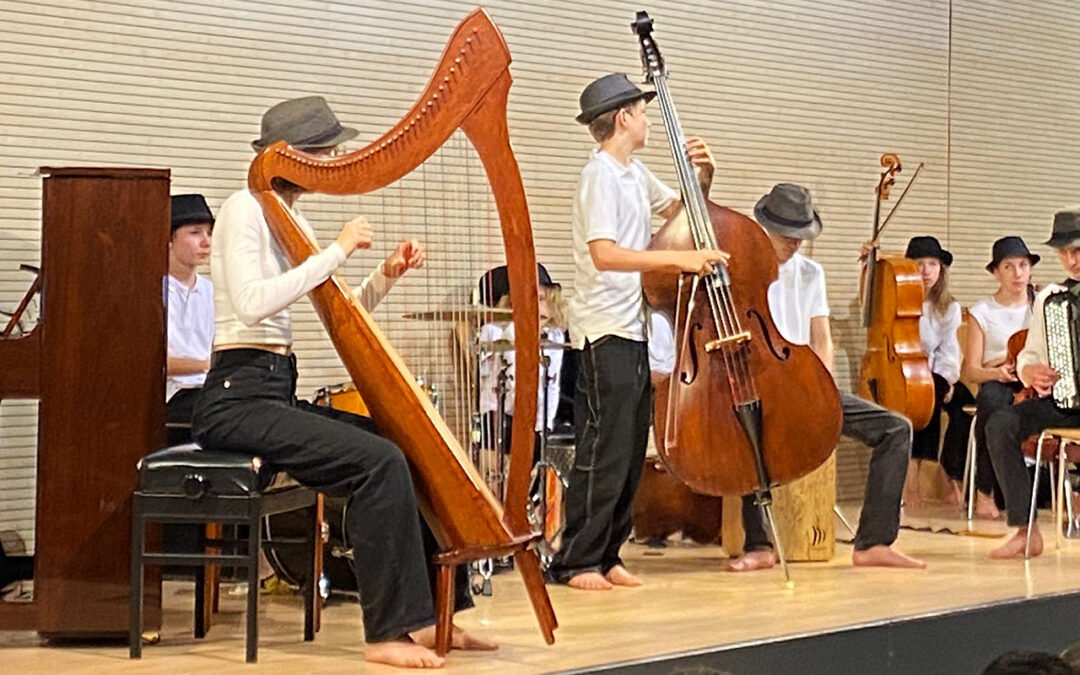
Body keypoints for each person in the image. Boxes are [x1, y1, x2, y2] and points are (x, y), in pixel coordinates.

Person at [191, 95, 490, 669]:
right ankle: (385, 633)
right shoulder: (242, 209)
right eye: (325, 154)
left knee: (403, 447)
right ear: (291, 158)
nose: (334, 163)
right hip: (236, 397)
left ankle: (432, 619)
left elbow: (340, 312)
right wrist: (338, 248)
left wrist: (385, 274)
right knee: (376, 463)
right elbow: (253, 306)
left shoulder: (291, 218)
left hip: (274, 388)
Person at [547, 73, 727, 591]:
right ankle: (575, 559)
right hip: (602, 329)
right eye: (642, 111)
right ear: (623, 117)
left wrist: (703, 177)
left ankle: (607, 554)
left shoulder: (632, 172)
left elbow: (680, 214)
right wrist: (679, 260)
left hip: (633, 326)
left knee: (628, 450)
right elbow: (605, 255)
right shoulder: (598, 175)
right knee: (603, 448)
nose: (648, 119)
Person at [728, 183, 925, 571]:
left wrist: (824, 389)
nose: (794, 244)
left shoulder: (811, 273)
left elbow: (822, 338)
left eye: (800, 236)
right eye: (787, 236)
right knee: (750, 426)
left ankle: (873, 541)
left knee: (896, 429)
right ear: (764, 227)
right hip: (759, 383)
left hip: (804, 382)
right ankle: (758, 544)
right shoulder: (742, 267)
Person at [985, 211, 1080, 559]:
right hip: (1065, 401)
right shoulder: (1051, 299)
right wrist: (1030, 372)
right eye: (1065, 252)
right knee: (1001, 423)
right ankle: (1026, 531)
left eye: (1078, 251)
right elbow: (1029, 354)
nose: (1072, 261)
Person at [962, 236, 1039, 518]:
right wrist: (998, 370)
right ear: (996, 272)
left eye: (1023, 265)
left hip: (1034, 381)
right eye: (1009, 266)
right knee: (992, 402)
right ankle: (985, 491)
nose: (1018, 273)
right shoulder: (983, 311)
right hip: (999, 379)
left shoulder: (1040, 305)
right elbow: (970, 369)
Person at [901, 236, 975, 508]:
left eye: (933, 263)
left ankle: (950, 471)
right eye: (919, 263)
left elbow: (950, 350)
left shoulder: (949, 307)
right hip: (900, 373)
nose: (926, 270)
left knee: (968, 405)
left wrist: (947, 380)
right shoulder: (896, 299)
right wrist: (869, 265)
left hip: (935, 371)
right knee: (926, 396)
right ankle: (911, 484)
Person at [165, 194, 215, 443]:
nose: (206, 242)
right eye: (195, 233)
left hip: (208, 390)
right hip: (173, 396)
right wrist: (208, 364)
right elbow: (154, 362)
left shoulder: (210, 290)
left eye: (209, 232)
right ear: (169, 239)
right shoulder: (153, 290)